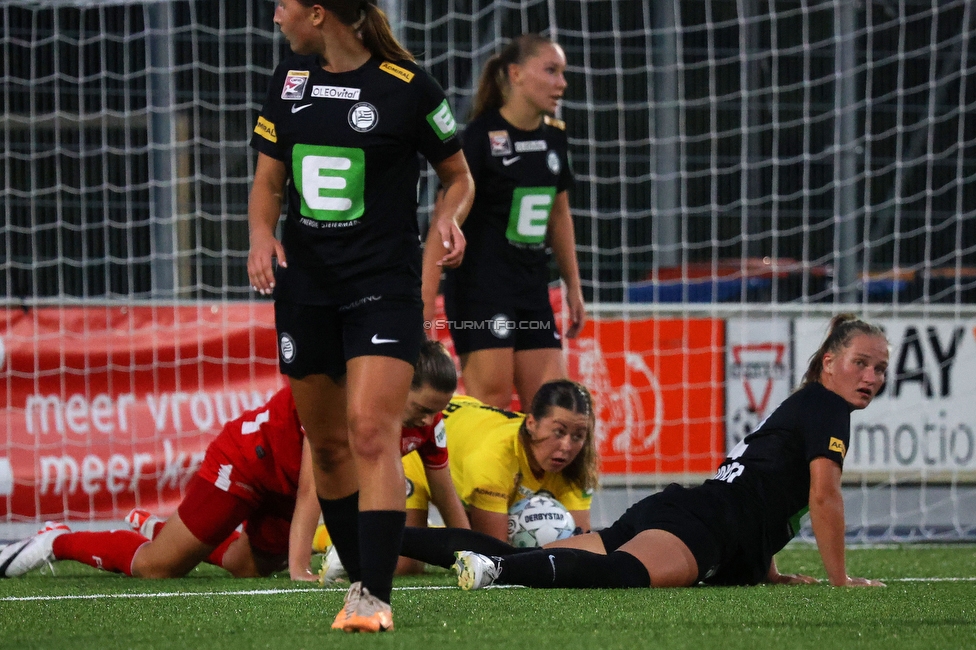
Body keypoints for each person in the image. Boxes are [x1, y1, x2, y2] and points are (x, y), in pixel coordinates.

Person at [246, 0, 473, 634]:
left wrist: (449, 217)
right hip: (306, 288)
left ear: (318, 14)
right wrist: (261, 236)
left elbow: (459, 175)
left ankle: (373, 596)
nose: (274, 16)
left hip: (382, 285)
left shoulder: (406, 87)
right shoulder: (288, 83)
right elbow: (268, 184)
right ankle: (359, 575)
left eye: (283, 6)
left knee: (371, 432)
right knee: (327, 446)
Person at [399, 315, 890, 590]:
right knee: (624, 576)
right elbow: (823, 497)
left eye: (880, 369)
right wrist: (841, 579)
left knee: (550, 554)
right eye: (860, 363)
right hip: (704, 524)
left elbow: (760, 486)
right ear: (829, 362)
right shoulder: (828, 407)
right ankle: (497, 572)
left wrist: (768, 569)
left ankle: (378, 535)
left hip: (681, 506)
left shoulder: (802, 404)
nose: (870, 377)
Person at [0, 342, 468, 585]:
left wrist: (478, 556)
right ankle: (58, 541)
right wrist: (300, 569)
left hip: (286, 485)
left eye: (436, 410)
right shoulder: (349, 404)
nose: (429, 419)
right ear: (395, 384)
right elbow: (314, 490)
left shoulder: (428, 423)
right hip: (248, 462)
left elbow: (447, 498)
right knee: (158, 569)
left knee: (248, 567)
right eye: (422, 408)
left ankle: (163, 527)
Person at [423, 34, 586, 411]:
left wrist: (573, 286)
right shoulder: (480, 138)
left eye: (562, 72)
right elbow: (441, 223)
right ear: (515, 74)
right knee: (491, 405)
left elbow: (558, 215)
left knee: (554, 408)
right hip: (481, 290)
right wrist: (426, 302)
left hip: (532, 290)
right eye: (551, 70)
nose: (561, 82)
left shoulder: (554, 139)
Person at [403, 379, 598, 543]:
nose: (566, 446)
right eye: (559, 432)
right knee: (404, 565)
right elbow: (495, 553)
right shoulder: (493, 458)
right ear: (531, 424)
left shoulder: (578, 465)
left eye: (578, 436)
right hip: (424, 445)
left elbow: (577, 546)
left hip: (469, 437)